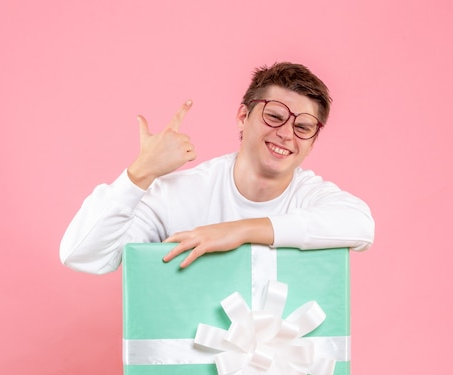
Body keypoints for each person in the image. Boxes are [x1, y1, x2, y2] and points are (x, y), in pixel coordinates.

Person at [60, 62, 374, 274]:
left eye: (303, 126)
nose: (287, 134)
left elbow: (360, 225)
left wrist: (236, 232)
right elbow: (83, 254)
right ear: (242, 116)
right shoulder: (180, 193)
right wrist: (140, 172)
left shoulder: (310, 195)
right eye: (275, 116)